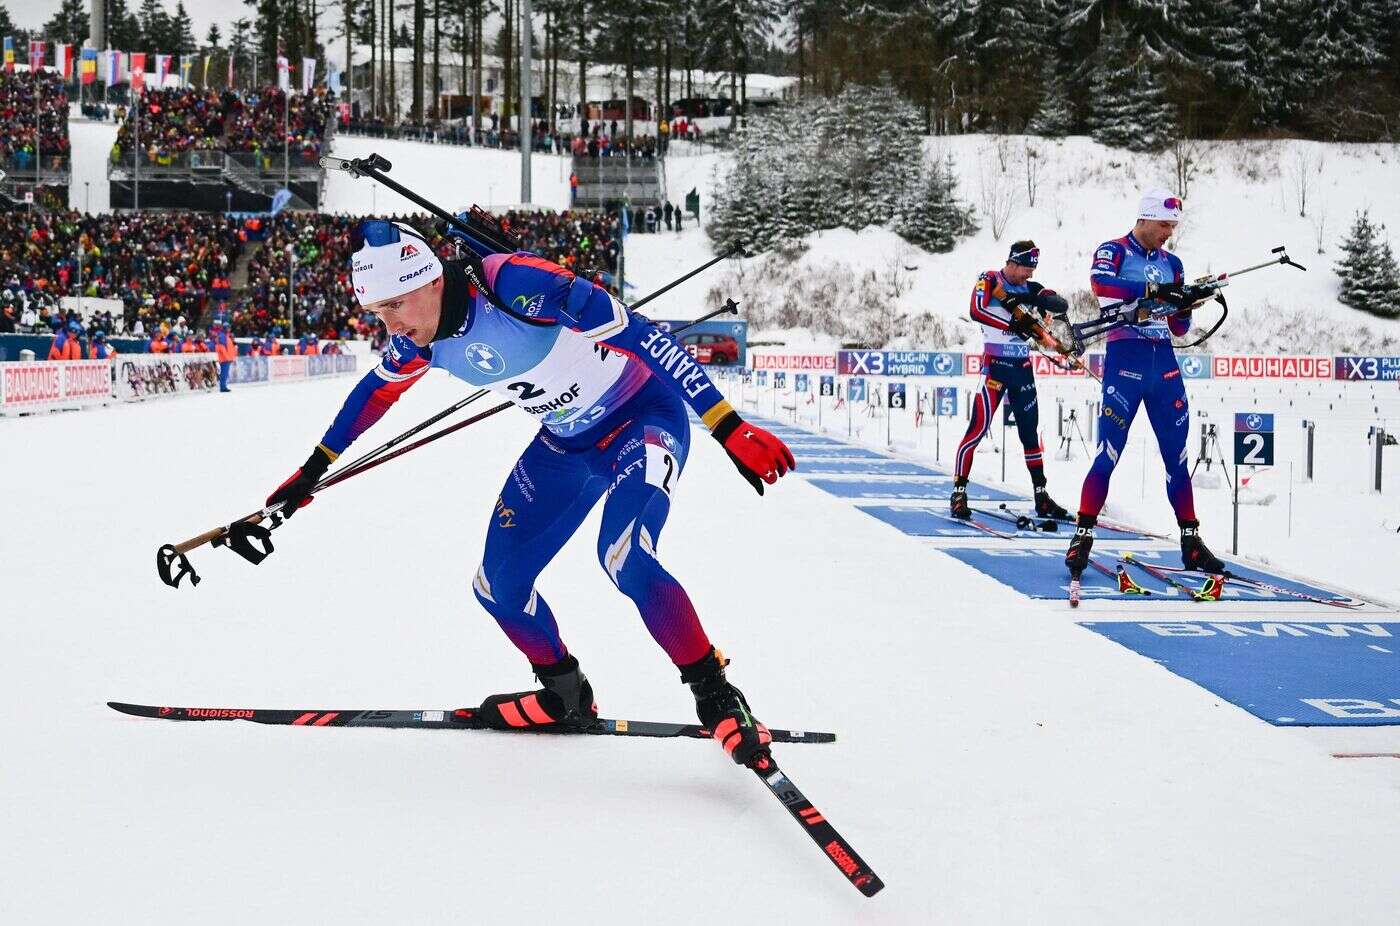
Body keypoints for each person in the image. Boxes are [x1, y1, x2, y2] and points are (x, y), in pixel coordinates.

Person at [266, 220, 795, 766]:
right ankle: (564, 690)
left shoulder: (514, 284)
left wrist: (729, 427)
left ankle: (716, 694)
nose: (391, 324)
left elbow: (646, 336)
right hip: (566, 445)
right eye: (379, 313)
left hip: (642, 418)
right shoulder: (418, 343)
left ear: (429, 280)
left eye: (396, 305)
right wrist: (313, 469)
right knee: (497, 584)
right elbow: (373, 394)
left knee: (625, 558)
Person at [1065, 190, 1225, 578]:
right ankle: (1083, 535)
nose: (1169, 232)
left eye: (1173, 226)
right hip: (1126, 361)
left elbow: (1179, 327)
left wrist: (1185, 304)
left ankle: (1191, 542)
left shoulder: (1174, 263)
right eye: (1164, 225)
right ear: (1145, 219)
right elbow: (1102, 285)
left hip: (1164, 364)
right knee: (1109, 452)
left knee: (1178, 457)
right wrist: (1153, 292)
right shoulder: (1114, 249)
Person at [951, 240, 1071, 520]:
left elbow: (1054, 299)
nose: (1029, 274)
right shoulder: (990, 278)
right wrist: (1012, 324)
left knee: (1030, 434)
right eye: (1026, 268)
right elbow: (976, 309)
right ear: (1012, 262)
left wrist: (1044, 303)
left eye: (1033, 269)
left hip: (1022, 369)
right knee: (977, 430)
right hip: (995, 368)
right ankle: (958, 493)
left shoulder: (1030, 287)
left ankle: (1041, 496)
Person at [211, 319, 237, 392]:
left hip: (227, 358)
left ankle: (224, 386)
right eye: (228, 327)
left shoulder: (226, 336)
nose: (229, 329)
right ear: (225, 328)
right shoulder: (222, 336)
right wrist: (227, 357)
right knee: (224, 373)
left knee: (225, 373)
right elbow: (221, 348)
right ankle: (223, 387)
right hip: (225, 358)